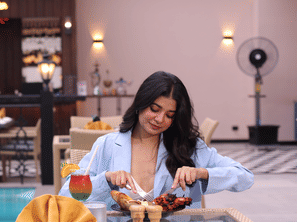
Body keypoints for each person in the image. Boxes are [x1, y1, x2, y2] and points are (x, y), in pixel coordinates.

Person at [59, 71, 254, 209]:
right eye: (154, 109)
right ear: (140, 104)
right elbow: (68, 194)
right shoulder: (107, 145)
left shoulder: (188, 148)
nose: (160, 119)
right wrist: (106, 180)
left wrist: (201, 173)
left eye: (170, 114)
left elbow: (245, 177)